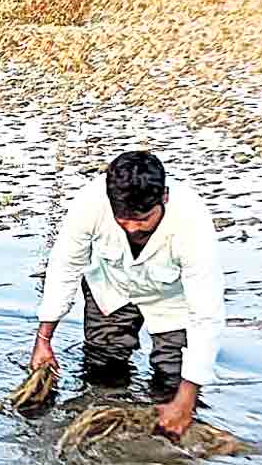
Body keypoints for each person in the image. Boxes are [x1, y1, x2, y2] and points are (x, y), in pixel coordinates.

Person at [28, 151, 225, 437]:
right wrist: (44, 340)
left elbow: (206, 313)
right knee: (103, 364)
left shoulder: (192, 224)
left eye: (142, 219)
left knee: (173, 377)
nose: (132, 228)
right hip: (111, 285)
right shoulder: (90, 204)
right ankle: (107, 425)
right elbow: (65, 267)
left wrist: (186, 398)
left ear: (164, 198)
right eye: (123, 219)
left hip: (170, 299)